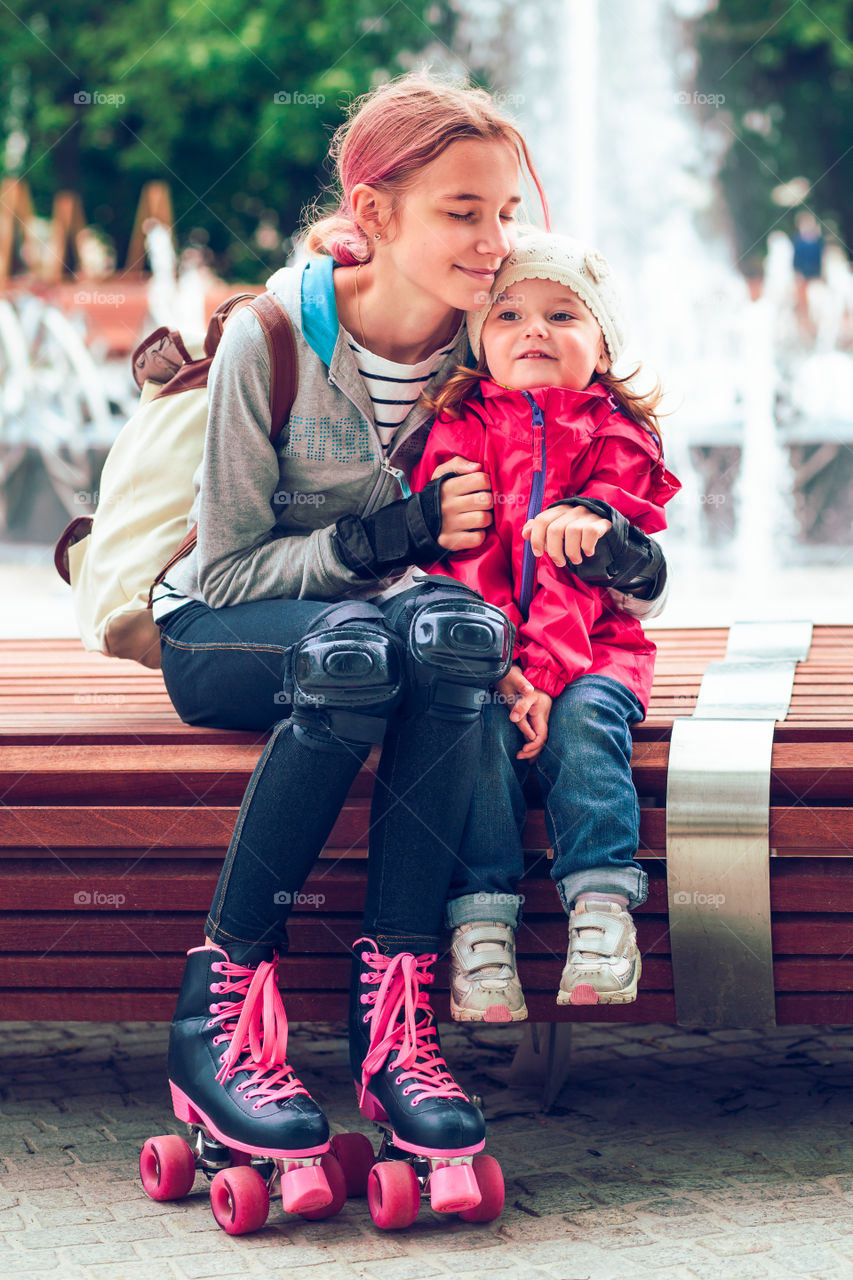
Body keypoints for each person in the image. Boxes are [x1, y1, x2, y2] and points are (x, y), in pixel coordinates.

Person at [149, 71, 554, 1205]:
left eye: (504, 212)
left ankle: (394, 1027)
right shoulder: (272, 338)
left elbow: (577, 481)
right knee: (357, 648)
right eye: (460, 212)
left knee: (456, 640)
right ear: (375, 215)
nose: (492, 242)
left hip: (376, 635)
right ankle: (220, 1013)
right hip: (228, 631)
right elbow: (226, 566)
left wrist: (523, 654)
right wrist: (379, 542)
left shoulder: (487, 348)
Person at [410, 231, 680, 1022]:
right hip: (487, 661)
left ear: (600, 349)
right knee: (473, 727)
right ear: (478, 344)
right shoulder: (457, 430)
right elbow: (459, 565)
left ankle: (600, 910)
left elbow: (575, 580)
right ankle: (482, 922)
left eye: (563, 314)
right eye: (509, 314)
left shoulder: (617, 439)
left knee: (586, 722)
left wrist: (547, 678)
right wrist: (503, 668)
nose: (534, 329)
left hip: (594, 654)